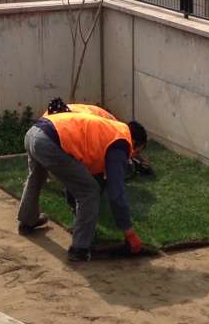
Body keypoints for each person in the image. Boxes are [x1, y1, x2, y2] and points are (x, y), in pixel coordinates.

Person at [18, 104, 148, 261]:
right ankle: (79, 249)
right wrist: (129, 231)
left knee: (36, 177)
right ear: (134, 142)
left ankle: (27, 221)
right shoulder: (121, 142)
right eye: (137, 151)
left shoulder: (111, 127)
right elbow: (116, 194)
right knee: (89, 192)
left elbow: (78, 173)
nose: (132, 155)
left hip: (35, 132)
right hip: (51, 141)